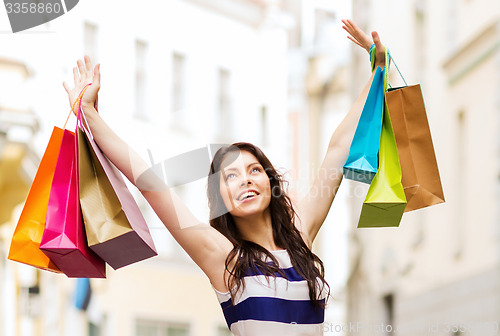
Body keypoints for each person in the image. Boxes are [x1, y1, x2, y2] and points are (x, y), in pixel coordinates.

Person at [63, 19, 385, 336]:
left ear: (270, 185)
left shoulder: (301, 236)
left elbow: (339, 148)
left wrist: (377, 70)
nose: (245, 180)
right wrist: (90, 114)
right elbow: (149, 182)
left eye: (254, 170)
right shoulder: (224, 258)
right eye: (230, 176)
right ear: (221, 201)